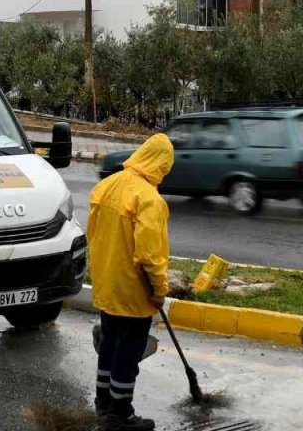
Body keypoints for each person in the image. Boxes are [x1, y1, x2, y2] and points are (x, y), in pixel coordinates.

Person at [87, 133, 174, 431]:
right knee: (129, 348)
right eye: (166, 167)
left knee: (109, 341)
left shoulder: (106, 186)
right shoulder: (148, 199)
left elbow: (93, 236)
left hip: (107, 282)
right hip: (133, 288)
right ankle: (121, 413)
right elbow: (149, 254)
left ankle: (103, 402)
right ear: (160, 164)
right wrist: (159, 289)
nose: (165, 173)